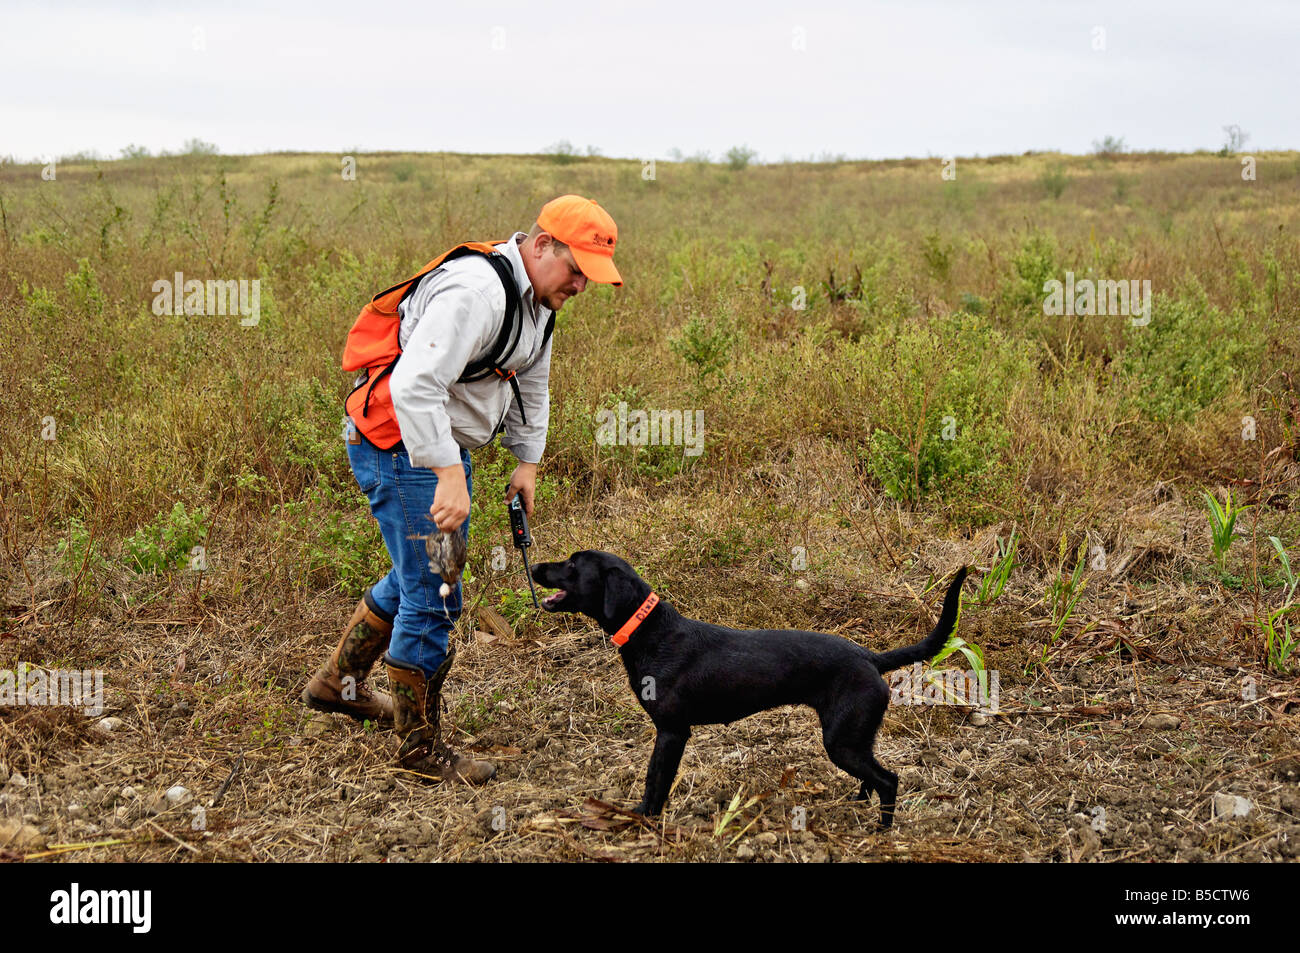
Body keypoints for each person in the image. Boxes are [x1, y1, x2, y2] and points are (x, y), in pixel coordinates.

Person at [302, 195, 622, 783]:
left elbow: (533, 377)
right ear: (543, 243)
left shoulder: (540, 302)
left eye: (590, 277)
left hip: (439, 448)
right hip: (400, 447)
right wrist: (448, 473)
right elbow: (414, 385)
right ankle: (419, 750)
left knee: (415, 575)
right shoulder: (476, 293)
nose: (580, 285)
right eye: (576, 269)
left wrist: (526, 460)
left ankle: (337, 687)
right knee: (436, 592)